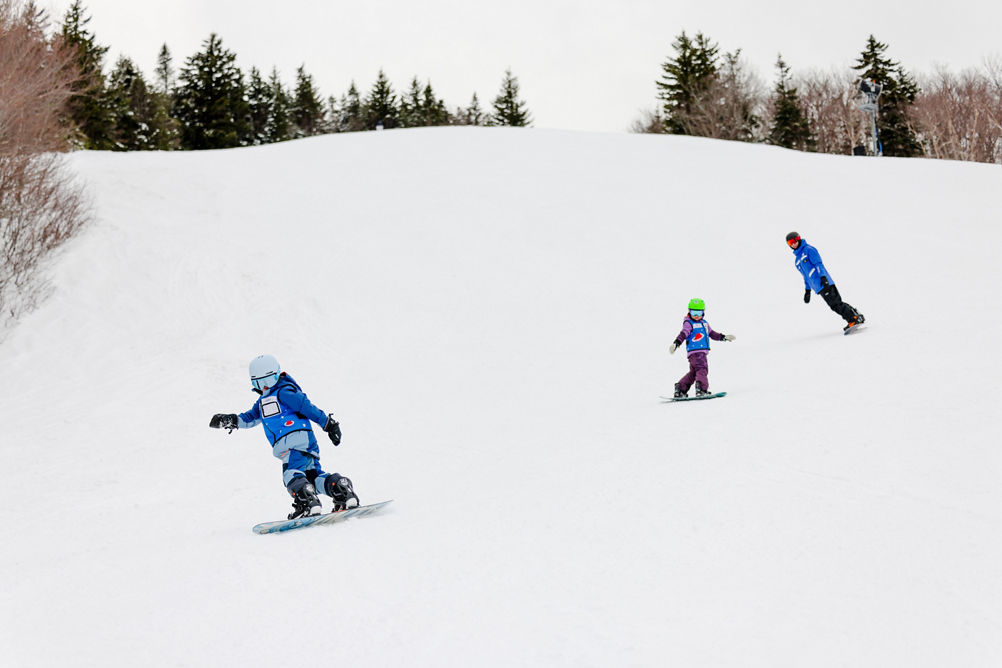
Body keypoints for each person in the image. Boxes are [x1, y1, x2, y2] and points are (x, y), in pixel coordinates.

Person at [209, 354, 359, 519]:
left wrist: (328, 424)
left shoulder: (283, 391)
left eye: (268, 381)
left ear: (277, 375)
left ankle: (307, 502)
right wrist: (230, 420)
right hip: (306, 443)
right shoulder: (263, 401)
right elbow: (250, 418)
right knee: (312, 475)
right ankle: (340, 489)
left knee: (291, 474)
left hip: (292, 442)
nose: (265, 388)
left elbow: (306, 406)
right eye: (258, 383)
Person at [785, 231, 865, 332]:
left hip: (824, 282)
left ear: (799, 239)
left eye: (795, 240)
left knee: (835, 304)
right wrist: (807, 291)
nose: (793, 244)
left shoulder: (809, 250)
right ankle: (854, 316)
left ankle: (853, 318)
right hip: (817, 286)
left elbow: (819, 264)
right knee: (835, 304)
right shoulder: (797, 261)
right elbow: (806, 277)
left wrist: (823, 278)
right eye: (790, 242)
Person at [669, 298, 736, 397]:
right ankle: (701, 389)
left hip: (697, 353)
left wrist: (723, 337)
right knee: (702, 369)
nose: (696, 316)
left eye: (699, 312)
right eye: (693, 312)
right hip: (696, 352)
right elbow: (684, 333)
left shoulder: (704, 323)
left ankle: (680, 389)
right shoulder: (689, 323)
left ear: (703, 312)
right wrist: (676, 343)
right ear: (689, 311)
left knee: (693, 373)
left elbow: (712, 334)